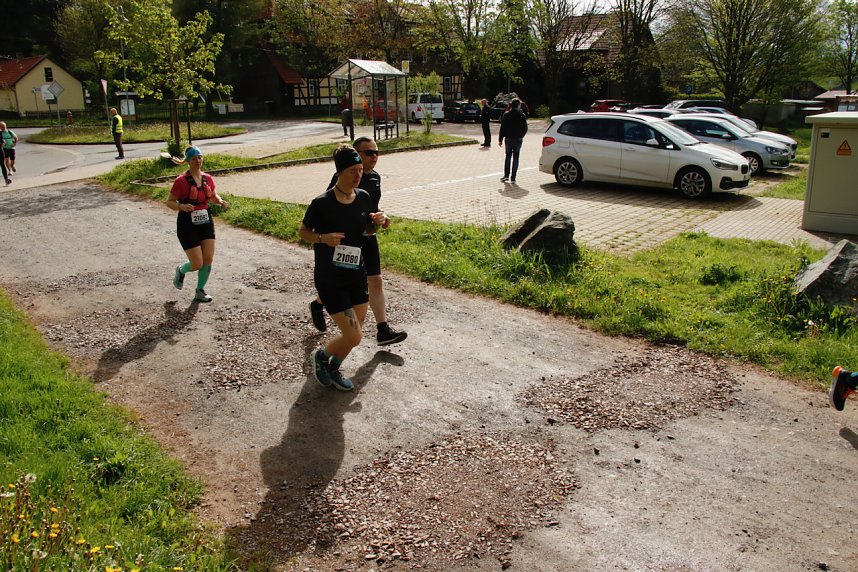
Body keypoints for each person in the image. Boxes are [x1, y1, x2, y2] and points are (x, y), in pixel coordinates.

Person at [299, 145, 389, 391]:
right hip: (330, 279)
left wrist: (382, 221)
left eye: (360, 170)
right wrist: (323, 239)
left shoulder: (363, 197)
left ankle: (333, 366)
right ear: (339, 173)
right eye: (352, 171)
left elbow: (368, 229)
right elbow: (303, 232)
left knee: (355, 334)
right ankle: (321, 356)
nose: (358, 175)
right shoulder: (321, 203)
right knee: (354, 335)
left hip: (356, 275)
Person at [309, 137, 407, 346]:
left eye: (376, 153)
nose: (374, 157)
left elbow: (372, 207)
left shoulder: (375, 178)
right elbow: (331, 205)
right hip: (347, 242)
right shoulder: (344, 176)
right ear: (357, 154)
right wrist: (324, 238)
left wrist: (382, 217)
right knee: (342, 283)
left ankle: (383, 330)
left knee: (376, 281)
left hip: (368, 236)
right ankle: (319, 304)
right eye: (369, 153)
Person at [166, 146, 228, 303]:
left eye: (199, 157)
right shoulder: (181, 181)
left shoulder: (207, 178)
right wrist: (181, 206)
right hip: (187, 224)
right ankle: (181, 271)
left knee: (208, 259)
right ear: (188, 161)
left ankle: (200, 291)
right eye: (194, 158)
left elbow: (212, 196)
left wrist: (219, 201)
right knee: (196, 263)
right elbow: (170, 202)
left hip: (205, 220)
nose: (198, 161)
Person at [498, 98, 528, 183]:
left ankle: (506, 175)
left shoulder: (506, 115)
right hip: (518, 139)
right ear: (518, 105)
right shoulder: (522, 115)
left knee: (508, 156)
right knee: (516, 157)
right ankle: (513, 177)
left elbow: (502, 128)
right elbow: (525, 128)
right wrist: (521, 135)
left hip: (508, 138)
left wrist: (500, 139)